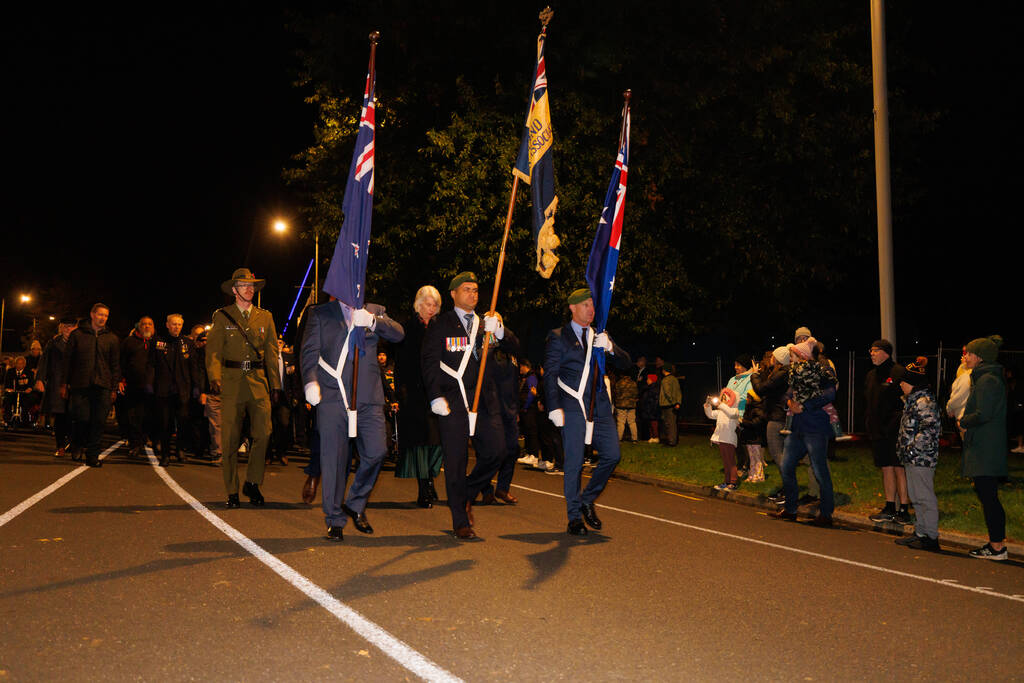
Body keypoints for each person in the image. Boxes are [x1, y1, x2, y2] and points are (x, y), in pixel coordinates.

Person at [422, 271, 520, 540]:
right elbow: (429, 362)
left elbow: (514, 347)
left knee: (497, 452)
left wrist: (499, 330)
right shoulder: (441, 324)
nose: (473, 294)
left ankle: (465, 493)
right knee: (456, 461)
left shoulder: (485, 323)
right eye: (466, 289)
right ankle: (460, 520)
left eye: (476, 290)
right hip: (453, 400)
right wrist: (435, 396)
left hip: (486, 400)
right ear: (453, 294)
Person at [301, 295, 404, 541]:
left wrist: (372, 322)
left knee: (377, 451)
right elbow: (309, 352)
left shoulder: (375, 310)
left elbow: (398, 333)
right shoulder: (321, 314)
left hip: (368, 397)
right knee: (333, 460)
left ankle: (355, 502)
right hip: (332, 396)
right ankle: (334, 519)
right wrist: (310, 382)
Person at [543, 287, 631, 535]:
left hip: (599, 405)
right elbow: (550, 374)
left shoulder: (599, 335)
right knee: (574, 462)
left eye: (593, 305)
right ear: (572, 308)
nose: (591, 310)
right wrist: (553, 406)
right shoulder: (558, 336)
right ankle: (574, 518)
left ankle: (586, 499)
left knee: (612, 455)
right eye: (585, 305)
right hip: (571, 405)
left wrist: (611, 348)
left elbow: (626, 363)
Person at [205, 268, 281, 508]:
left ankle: (253, 482)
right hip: (231, 381)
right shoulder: (222, 316)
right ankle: (232, 490)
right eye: (244, 285)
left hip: (258, 381)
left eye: (252, 286)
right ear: (234, 290)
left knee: (264, 433)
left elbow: (271, 351)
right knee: (229, 439)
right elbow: (214, 350)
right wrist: (214, 377)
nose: (250, 289)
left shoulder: (265, 317)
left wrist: (275, 384)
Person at [770, 340, 837, 527]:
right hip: (797, 428)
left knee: (819, 470)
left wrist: (805, 405)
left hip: (815, 427)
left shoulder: (822, 372)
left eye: (793, 356)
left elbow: (830, 394)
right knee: (786, 466)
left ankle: (826, 514)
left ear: (803, 356)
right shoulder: (795, 374)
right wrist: (790, 404)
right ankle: (791, 509)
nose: (790, 360)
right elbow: (788, 395)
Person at [958, 335, 1009, 560]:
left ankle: (997, 546)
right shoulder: (985, 377)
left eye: (968, 353)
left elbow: (984, 414)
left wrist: (963, 421)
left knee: (989, 497)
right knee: (987, 495)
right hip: (984, 447)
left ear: (979, 357)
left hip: (986, 449)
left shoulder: (988, 380)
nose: (965, 357)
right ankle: (996, 544)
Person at [394, 285, 444, 508]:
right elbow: (400, 365)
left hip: (437, 393)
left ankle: (431, 479)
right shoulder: (407, 328)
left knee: (437, 442)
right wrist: (400, 392)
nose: (431, 308)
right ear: (418, 305)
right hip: (414, 395)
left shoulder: (442, 328)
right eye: (427, 304)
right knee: (420, 444)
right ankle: (424, 487)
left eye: (435, 305)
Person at [891, 357, 942, 552]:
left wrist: (911, 448)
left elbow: (929, 429)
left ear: (913, 382)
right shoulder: (913, 400)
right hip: (912, 457)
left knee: (924, 496)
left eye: (903, 381)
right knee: (916, 496)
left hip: (921, 458)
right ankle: (921, 533)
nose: (901, 384)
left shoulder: (924, 402)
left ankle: (931, 536)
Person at [61, 303, 120, 467]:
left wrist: (114, 387)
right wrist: (64, 383)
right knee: (82, 418)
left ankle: (92, 455)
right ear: (92, 314)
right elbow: (68, 361)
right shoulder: (77, 335)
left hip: (103, 385)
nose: (103, 318)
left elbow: (115, 365)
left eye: (106, 316)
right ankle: (77, 444)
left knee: (99, 421)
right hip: (81, 384)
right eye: (100, 314)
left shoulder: (112, 338)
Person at [864, 339, 911, 526]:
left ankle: (904, 509)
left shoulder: (899, 372)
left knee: (899, 468)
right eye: (871, 350)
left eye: (875, 351)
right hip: (877, 431)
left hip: (895, 429)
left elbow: (907, 400)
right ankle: (890, 506)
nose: (872, 354)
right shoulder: (870, 375)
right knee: (886, 468)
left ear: (885, 352)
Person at [151, 314, 199, 467]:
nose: (176, 327)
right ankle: (165, 455)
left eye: (179, 324)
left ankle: (180, 449)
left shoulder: (187, 343)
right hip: (164, 391)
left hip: (182, 390)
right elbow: (151, 365)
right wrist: (149, 384)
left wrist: (197, 387)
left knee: (183, 421)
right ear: (167, 325)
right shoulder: (158, 342)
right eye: (173, 324)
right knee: (165, 424)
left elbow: (193, 367)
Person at [480, 336, 522, 505]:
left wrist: (516, 408)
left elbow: (514, 384)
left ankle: (503, 488)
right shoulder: (482, 352)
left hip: (509, 410)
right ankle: (486, 489)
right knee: (490, 452)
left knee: (512, 449)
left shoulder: (511, 354)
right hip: (489, 410)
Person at [34, 317, 77, 456]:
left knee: (74, 415)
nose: (68, 330)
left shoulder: (80, 342)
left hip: (75, 384)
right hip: (57, 383)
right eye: (65, 327)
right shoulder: (53, 343)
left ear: (75, 328)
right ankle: (60, 446)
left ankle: (72, 442)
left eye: (71, 327)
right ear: (61, 328)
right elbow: (44, 362)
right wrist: (40, 379)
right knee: (60, 416)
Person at [120, 317, 156, 458]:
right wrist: (121, 380)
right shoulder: (129, 342)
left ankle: (149, 438)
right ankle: (136, 443)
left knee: (150, 415)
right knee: (133, 416)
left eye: (149, 324)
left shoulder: (158, 342)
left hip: (153, 387)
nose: (147, 326)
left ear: (153, 327)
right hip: (133, 385)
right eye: (144, 324)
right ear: (139, 327)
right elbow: (121, 362)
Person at [704, 387, 740, 491]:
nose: (722, 400)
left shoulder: (734, 411)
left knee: (731, 461)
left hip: (729, 439)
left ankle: (733, 482)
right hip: (721, 440)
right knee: (725, 462)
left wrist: (721, 405)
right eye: (722, 398)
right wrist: (708, 405)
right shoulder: (721, 412)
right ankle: (727, 481)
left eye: (725, 398)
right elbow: (710, 415)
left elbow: (731, 413)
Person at [515, 358, 542, 464]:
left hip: (530, 409)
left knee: (532, 432)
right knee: (527, 432)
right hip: (526, 409)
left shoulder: (531, 377)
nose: (519, 369)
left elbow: (531, 394)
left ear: (524, 366)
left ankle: (534, 455)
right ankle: (530, 453)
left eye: (520, 367)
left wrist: (525, 407)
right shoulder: (526, 377)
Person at [658, 363, 682, 446]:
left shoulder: (665, 380)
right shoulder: (675, 379)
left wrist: (673, 402)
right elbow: (678, 392)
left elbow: (667, 392)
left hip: (667, 404)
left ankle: (671, 441)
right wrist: (678, 402)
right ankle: (673, 440)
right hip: (674, 404)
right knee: (673, 423)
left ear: (664, 370)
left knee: (668, 424)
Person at [613, 369, 639, 442]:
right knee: (632, 422)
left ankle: (619, 439)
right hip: (631, 405)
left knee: (621, 422)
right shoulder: (633, 383)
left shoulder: (619, 383)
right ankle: (635, 439)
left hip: (621, 405)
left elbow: (616, 393)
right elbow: (636, 393)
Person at [639, 373, 660, 443]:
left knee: (654, 424)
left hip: (652, 409)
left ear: (652, 380)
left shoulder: (654, 388)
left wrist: (653, 409)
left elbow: (654, 400)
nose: (647, 380)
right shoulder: (648, 388)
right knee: (650, 424)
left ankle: (656, 437)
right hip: (648, 409)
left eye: (648, 379)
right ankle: (652, 437)